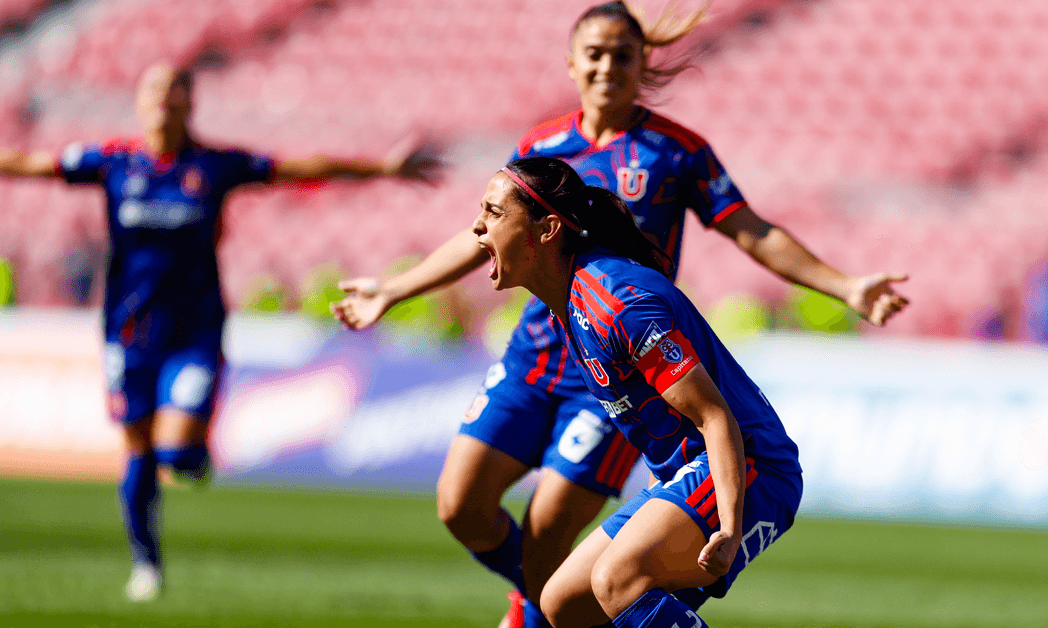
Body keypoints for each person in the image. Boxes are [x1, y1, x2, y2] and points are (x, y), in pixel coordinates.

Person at [332, 3, 908, 626]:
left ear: (642, 65)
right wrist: (394, 290)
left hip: (627, 364)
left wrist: (843, 286)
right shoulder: (541, 152)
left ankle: (540, 612)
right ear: (572, 64)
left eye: (622, 54)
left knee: (568, 542)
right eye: (595, 53)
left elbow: (750, 230)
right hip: (546, 347)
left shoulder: (670, 164)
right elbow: (487, 236)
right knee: (477, 519)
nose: (608, 66)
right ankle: (545, 607)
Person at [0, 62, 439, 602]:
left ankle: (193, 453)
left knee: (176, 453)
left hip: (195, 332)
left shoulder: (213, 166)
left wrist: (382, 168)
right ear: (139, 102)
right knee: (135, 445)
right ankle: (145, 561)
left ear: (191, 102)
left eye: (174, 89)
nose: (163, 98)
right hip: (128, 331)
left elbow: (301, 167)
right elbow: (31, 163)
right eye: (154, 88)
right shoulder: (115, 162)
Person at [474, 156, 811, 628]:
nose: (476, 228)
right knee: (563, 602)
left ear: (547, 229)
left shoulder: (616, 303)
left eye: (493, 213)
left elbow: (714, 418)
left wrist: (730, 530)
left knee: (617, 578)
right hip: (688, 472)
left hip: (749, 465)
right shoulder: (567, 305)